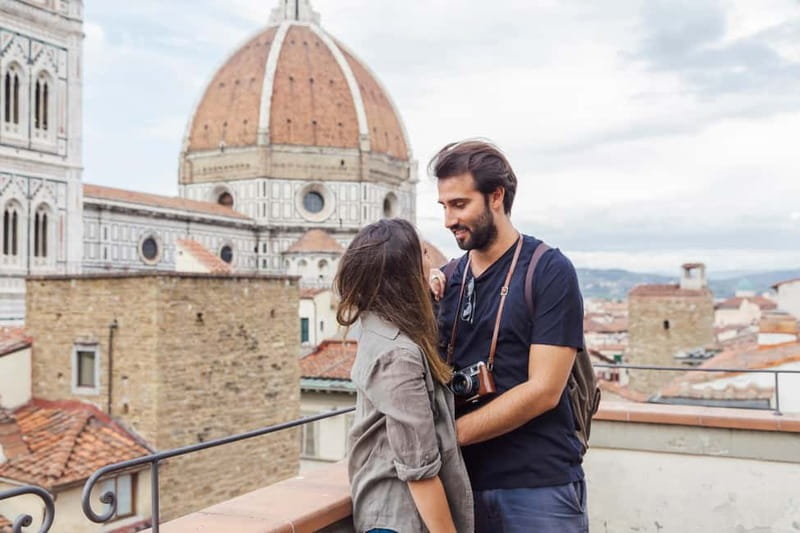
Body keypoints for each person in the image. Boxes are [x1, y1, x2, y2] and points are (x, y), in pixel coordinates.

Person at [429, 140, 588, 532]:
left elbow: (544, 390)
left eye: (460, 204)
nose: (449, 220)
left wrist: (448, 437)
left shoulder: (548, 270)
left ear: (496, 196)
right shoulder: (447, 278)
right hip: (462, 484)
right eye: (444, 207)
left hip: (537, 487)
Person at [338, 218, 474, 533]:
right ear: (406, 273)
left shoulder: (380, 327)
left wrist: (429, 295)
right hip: (401, 519)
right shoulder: (397, 356)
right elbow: (420, 470)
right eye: (424, 254)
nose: (432, 261)